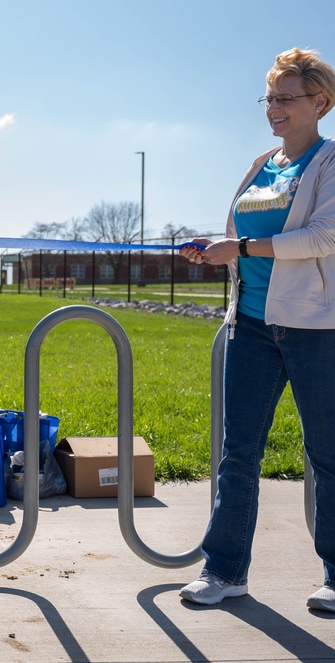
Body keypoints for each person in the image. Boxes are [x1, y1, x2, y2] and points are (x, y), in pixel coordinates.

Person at [179, 47, 335, 613]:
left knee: (327, 454)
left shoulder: (330, 162)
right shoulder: (261, 165)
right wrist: (217, 252)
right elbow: (243, 237)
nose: (274, 108)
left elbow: (323, 238)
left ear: (319, 102)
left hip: (316, 328)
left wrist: (239, 246)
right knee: (237, 453)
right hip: (250, 323)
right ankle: (224, 571)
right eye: (269, 97)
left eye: (285, 97)